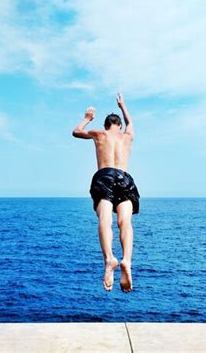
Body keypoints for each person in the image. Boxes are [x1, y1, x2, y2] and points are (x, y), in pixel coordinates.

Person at [72, 93, 140, 293]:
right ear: (118, 125)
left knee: (105, 219)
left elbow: (76, 132)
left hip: (105, 176)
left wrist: (87, 118)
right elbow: (131, 122)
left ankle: (109, 259)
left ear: (106, 125)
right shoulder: (127, 136)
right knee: (125, 222)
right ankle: (126, 261)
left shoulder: (99, 134)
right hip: (125, 178)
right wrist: (122, 105)